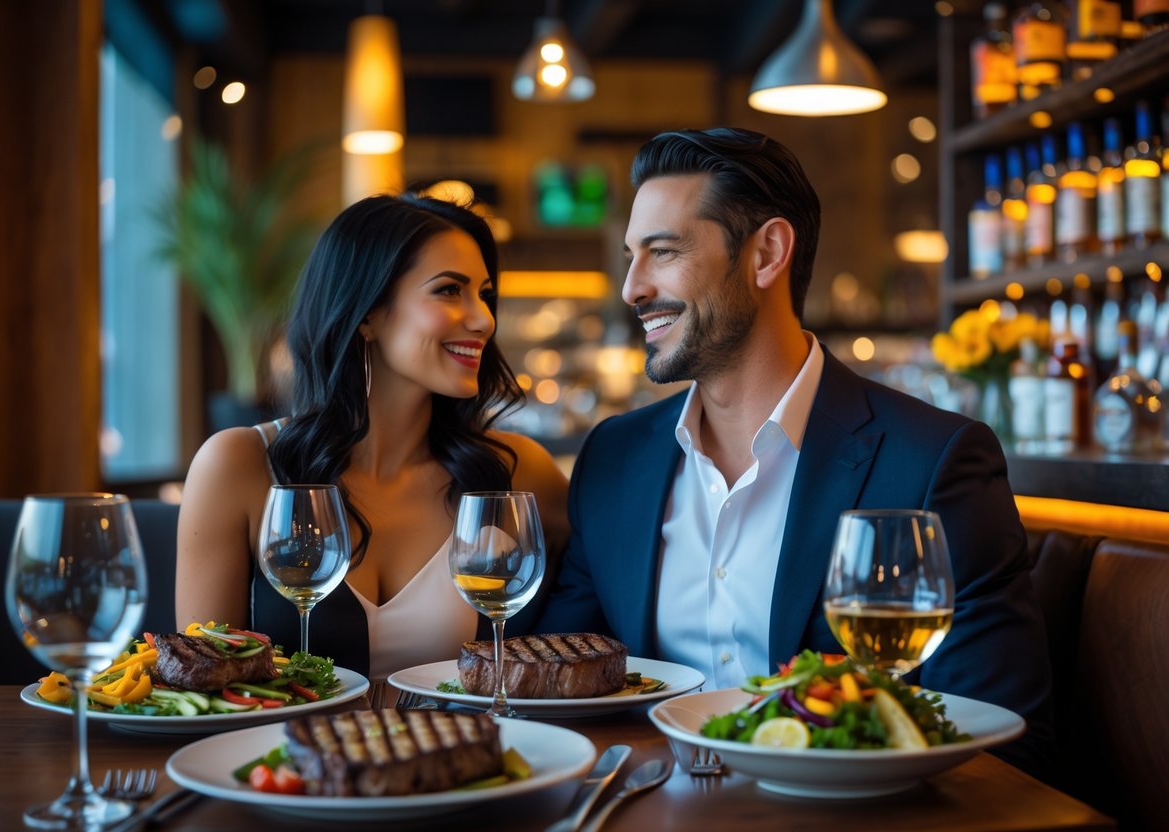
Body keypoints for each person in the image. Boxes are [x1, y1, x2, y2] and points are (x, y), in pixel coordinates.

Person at [536, 127, 1053, 776]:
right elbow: (556, 690)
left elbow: (1002, 739)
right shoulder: (612, 460)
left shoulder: (933, 462)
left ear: (766, 253)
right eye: (630, 256)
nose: (631, 288)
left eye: (662, 252)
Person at [176, 193, 570, 699]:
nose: (483, 320)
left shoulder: (518, 472)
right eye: (449, 290)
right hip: (284, 751)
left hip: (462, 750)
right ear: (366, 314)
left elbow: (601, 594)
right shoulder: (240, 465)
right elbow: (201, 686)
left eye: (483, 294)